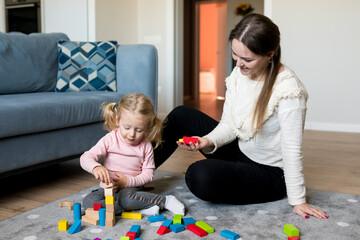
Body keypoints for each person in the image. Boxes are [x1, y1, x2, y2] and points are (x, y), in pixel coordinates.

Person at [154, 13, 328, 220]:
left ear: (269, 54)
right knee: (180, 115)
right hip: (240, 149)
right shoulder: (240, 74)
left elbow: (291, 149)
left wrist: (298, 200)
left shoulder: (289, 90)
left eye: (247, 59)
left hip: (269, 173)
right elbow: (229, 124)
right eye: (234, 55)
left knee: (198, 175)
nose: (238, 64)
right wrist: (207, 141)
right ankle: (134, 175)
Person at [80, 93, 185, 216]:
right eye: (127, 127)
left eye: (139, 130)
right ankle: (138, 206)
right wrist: (95, 167)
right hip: (107, 189)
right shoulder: (110, 139)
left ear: (147, 127)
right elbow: (86, 157)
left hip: (132, 189)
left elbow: (148, 175)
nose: (132, 134)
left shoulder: (145, 146)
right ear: (117, 121)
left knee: (126, 198)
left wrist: (127, 182)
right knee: (89, 202)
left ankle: (165, 201)